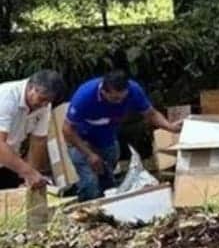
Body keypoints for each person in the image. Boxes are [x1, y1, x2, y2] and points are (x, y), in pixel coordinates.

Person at [64, 70, 182, 202]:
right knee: (90, 184)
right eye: (115, 98)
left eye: (123, 98)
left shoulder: (134, 90)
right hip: (81, 142)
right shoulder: (84, 96)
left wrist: (170, 127)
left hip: (107, 141)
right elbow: (67, 129)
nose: (119, 102)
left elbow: (151, 114)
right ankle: (83, 206)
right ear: (104, 92)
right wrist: (89, 154)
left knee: (107, 184)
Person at [0, 70, 65, 190]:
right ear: (31, 87)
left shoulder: (44, 105)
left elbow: (38, 141)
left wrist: (31, 176)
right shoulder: (7, 97)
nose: (44, 105)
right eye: (42, 99)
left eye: (48, 101)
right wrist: (29, 172)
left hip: (8, 159)